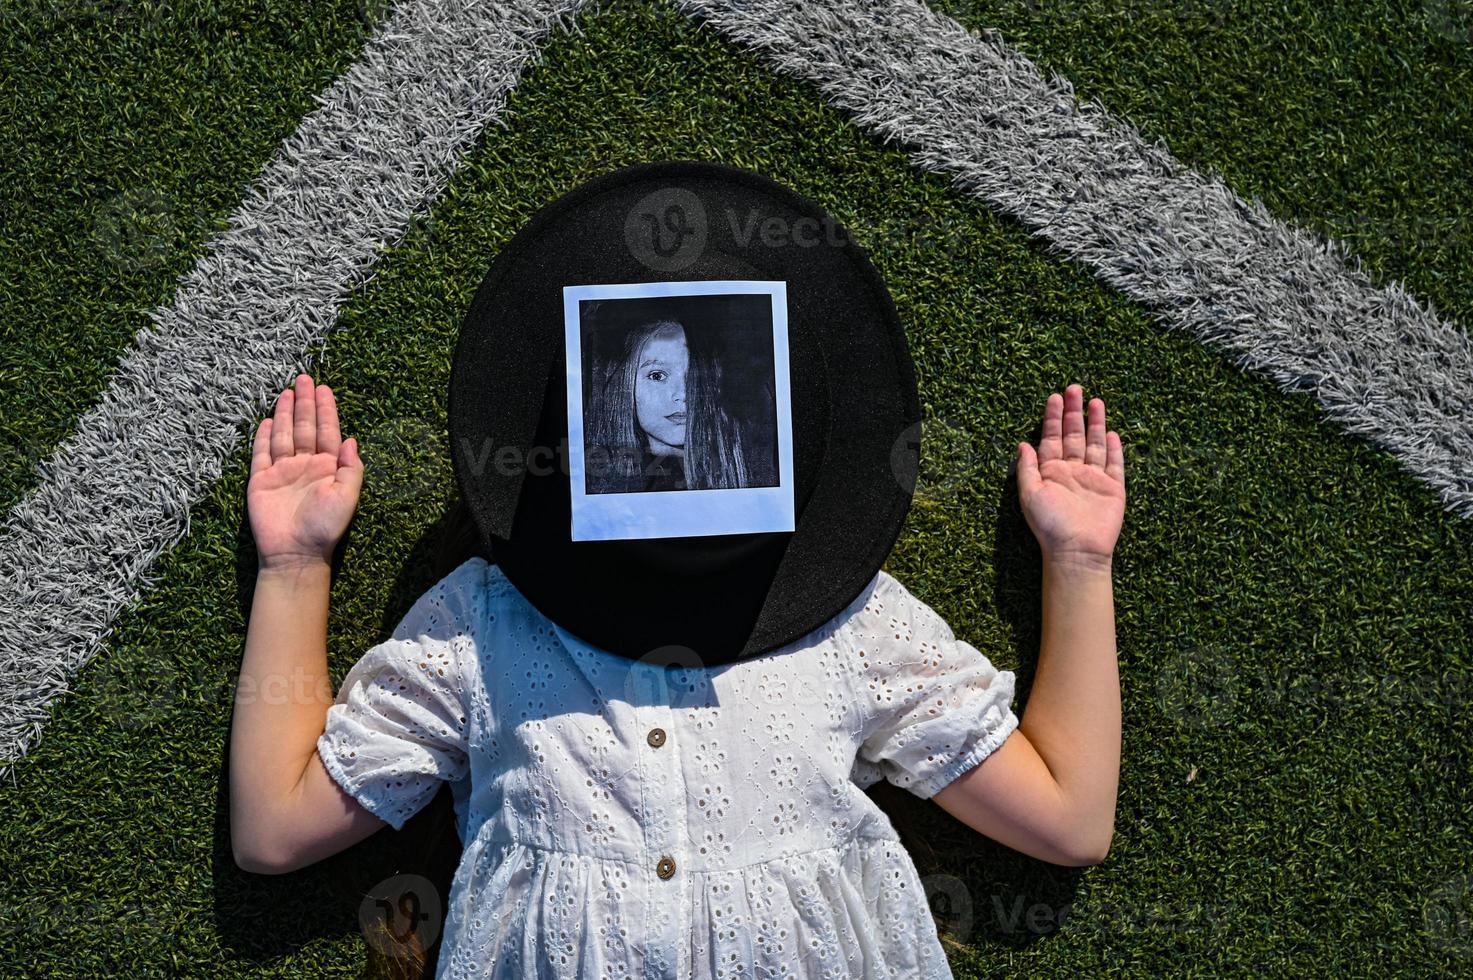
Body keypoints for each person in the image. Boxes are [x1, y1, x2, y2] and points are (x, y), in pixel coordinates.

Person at [230, 373, 1125, 978]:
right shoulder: (487, 620)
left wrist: (1078, 564)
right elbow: (274, 832)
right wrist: (296, 565)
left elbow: (1067, 818)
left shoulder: (844, 616)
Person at [584, 318, 775, 494]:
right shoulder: (600, 479)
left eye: (693, 376)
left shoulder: (749, 470)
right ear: (624, 385)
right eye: (657, 376)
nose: (683, 394)